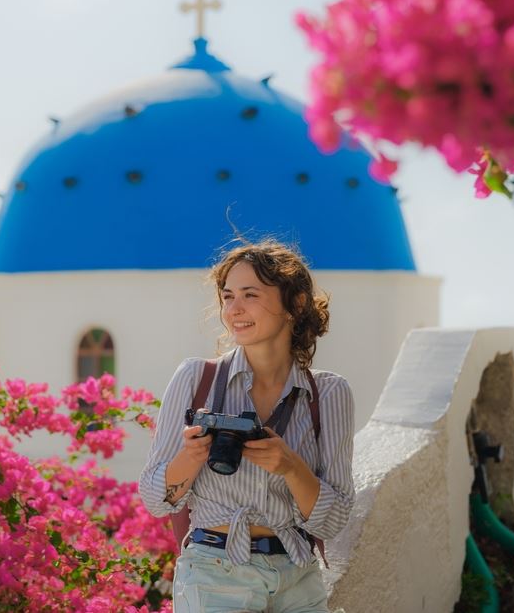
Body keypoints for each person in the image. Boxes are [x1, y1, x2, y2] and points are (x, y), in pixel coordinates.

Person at [139, 241, 355, 613]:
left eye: (250, 295)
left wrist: (290, 466)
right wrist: (192, 456)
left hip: (297, 576)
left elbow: (334, 519)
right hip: (214, 574)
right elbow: (154, 499)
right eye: (227, 297)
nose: (234, 310)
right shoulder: (196, 379)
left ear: (296, 303)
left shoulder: (329, 393)